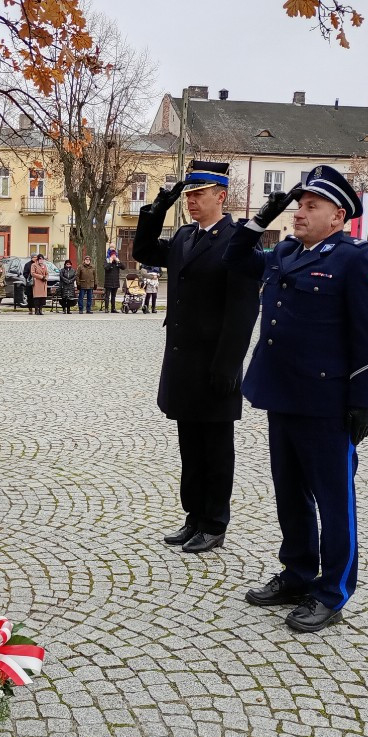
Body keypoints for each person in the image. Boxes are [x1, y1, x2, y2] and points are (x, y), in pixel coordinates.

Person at [224, 165, 368, 633]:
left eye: (310, 206)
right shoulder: (285, 251)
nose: (300, 212)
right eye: (299, 204)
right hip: (282, 394)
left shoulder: (356, 259)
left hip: (327, 403)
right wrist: (263, 217)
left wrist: (364, 400)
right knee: (290, 497)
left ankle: (332, 592)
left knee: (334, 502)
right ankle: (298, 574)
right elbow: (235, 257)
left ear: (337, 216)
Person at [133, 160, 262, 555]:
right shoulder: (186, 236)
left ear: (220, 196)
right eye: (188, 195)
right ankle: (193, 517)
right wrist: (155, 211)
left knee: (217, 448)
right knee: (190, 444)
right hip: (183, 361)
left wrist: (228, 366)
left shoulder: (236, 241)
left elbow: (243, 311)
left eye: (198, 194)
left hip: (215, 364)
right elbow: (142, 250)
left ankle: (215, 522)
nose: (190, 201)